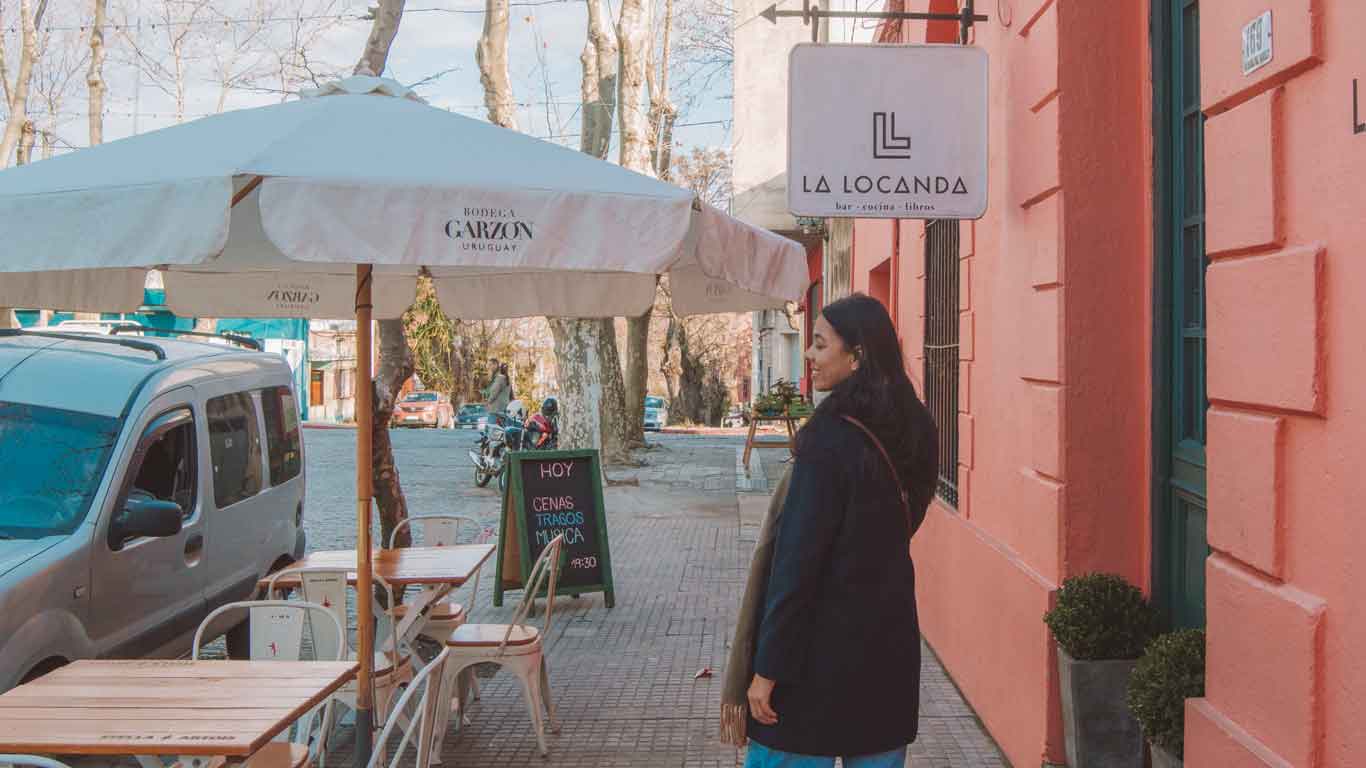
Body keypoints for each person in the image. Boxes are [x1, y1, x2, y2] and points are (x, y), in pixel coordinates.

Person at [721, 293, 939, 768]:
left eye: (820, 344)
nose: (809, 354)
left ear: (856, 355)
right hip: (887, 651)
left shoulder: (827, 439)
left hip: (812, 665)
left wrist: (767, 670)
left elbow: (796, 565)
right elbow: (908, 520)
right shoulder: (918, 428)